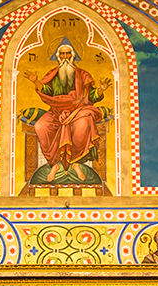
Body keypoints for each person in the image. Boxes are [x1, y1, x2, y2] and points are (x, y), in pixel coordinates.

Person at [28, 37, 104, 185]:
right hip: (57, 110)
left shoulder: (83, 75)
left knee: (84, 123)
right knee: (40, 126)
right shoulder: (53, 74)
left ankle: (76, 163)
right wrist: (36, 81)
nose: (65, 57)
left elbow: (91, 97)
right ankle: (55, 164)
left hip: (79, 110)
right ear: (57, 56)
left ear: (73, 55)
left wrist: (101, 90)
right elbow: (47, 90)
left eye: (67, 54)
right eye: (62, 54)